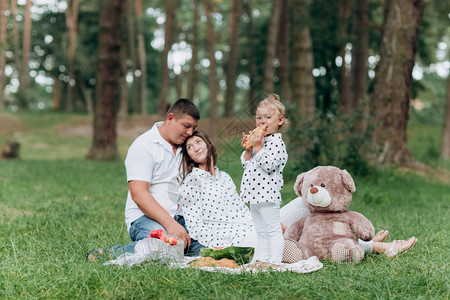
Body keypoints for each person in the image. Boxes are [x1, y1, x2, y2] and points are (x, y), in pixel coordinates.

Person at [178, 130, 417, 261]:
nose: (195, 147)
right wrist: (215, 246)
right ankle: (372, 246)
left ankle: (348, 234)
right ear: (189, 156)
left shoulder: (225, 177)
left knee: (303, 203)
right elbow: (195, 224)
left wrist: (269, 223)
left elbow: (245, 206)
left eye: (198, 142)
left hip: (255, 223)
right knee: (276, 243)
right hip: (233, 238)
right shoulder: (192, 182)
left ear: (208, 144)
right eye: (189, 147)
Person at [240, 94, 287, 264]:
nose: (262, 121)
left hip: (267, 194)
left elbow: (270, 164)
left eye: (268, 117)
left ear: (280, 120)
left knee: (272, 230)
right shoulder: (259, 140)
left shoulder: (276, 143)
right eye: (259, 118)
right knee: (260, 231)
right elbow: (246, 164)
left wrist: (258, 147)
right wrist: (248, 149)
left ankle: (274, 261)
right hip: (253, 195)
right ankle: (261, 259)